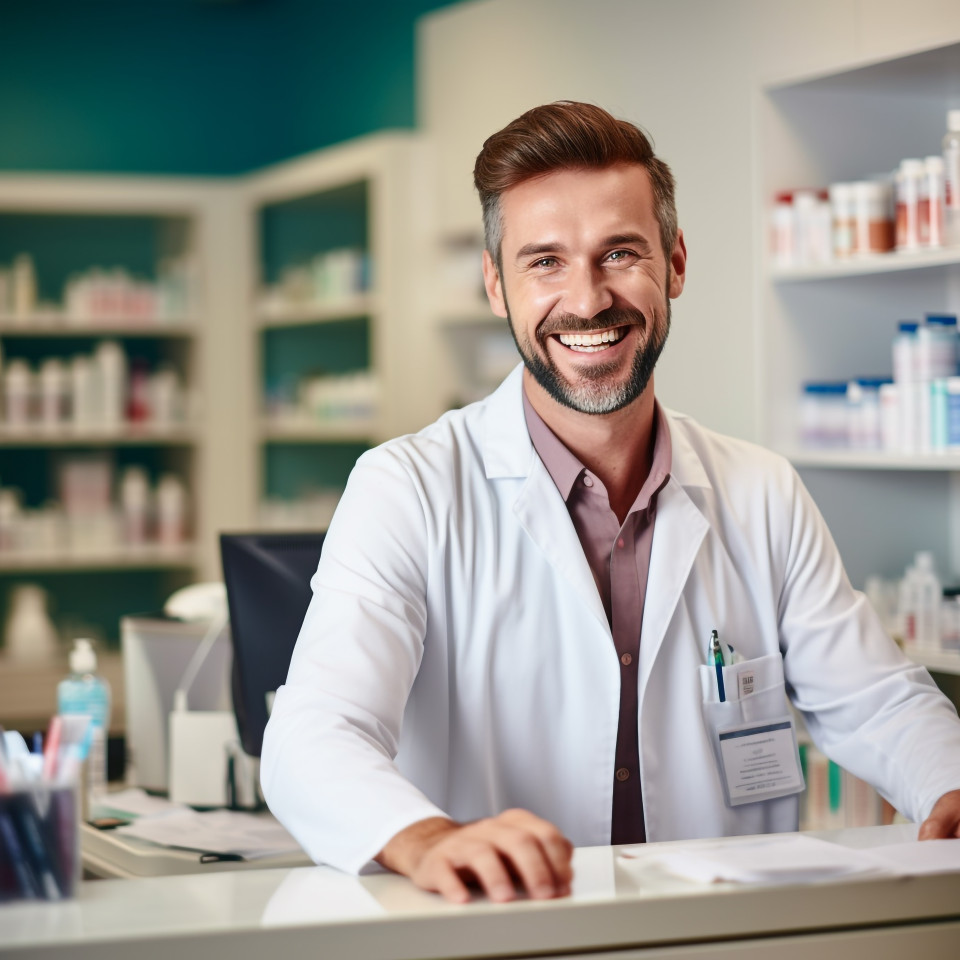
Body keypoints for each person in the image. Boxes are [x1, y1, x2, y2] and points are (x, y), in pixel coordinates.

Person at [261, 101, 960, 904]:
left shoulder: (760, 491)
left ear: (676, 263)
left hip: (722, 934)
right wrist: (427, 839)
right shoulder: (408, 488)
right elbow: (314, 735)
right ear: (496, 285)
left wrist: (948, 781)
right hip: (499, 934)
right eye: (545, 262)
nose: (588, 300)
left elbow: (875, 699)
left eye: (619, 253)